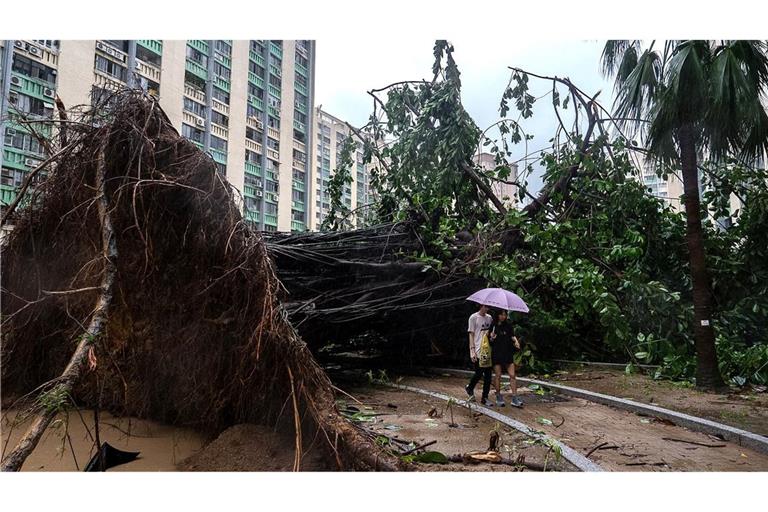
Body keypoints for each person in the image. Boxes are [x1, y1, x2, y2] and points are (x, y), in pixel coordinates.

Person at [490, 310, 523, 407]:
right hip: (497, 353)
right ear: (497, 315)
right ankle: (499, 396)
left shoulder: (508, 325)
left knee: (512, 375)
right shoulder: (493, 326)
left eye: (505, 315)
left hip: (507, 353)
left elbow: (512, 336)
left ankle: (514, 397)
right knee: (498, 375)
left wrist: (516, 341)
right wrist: (492, 338)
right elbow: (490, 341)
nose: (503, 317)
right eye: (501, 314)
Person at [465, 304, 494, 406]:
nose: (487, 309)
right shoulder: (473, 317)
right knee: (479, 373)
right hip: (478, 349)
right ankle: (470, 387)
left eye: (488, 307)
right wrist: (472, 350)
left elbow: (490, 332)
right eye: (485, 307)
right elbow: (471, 334)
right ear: (481, 306)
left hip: (487, 349)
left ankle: (484, 397)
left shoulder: (489, 318)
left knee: (488, 375)